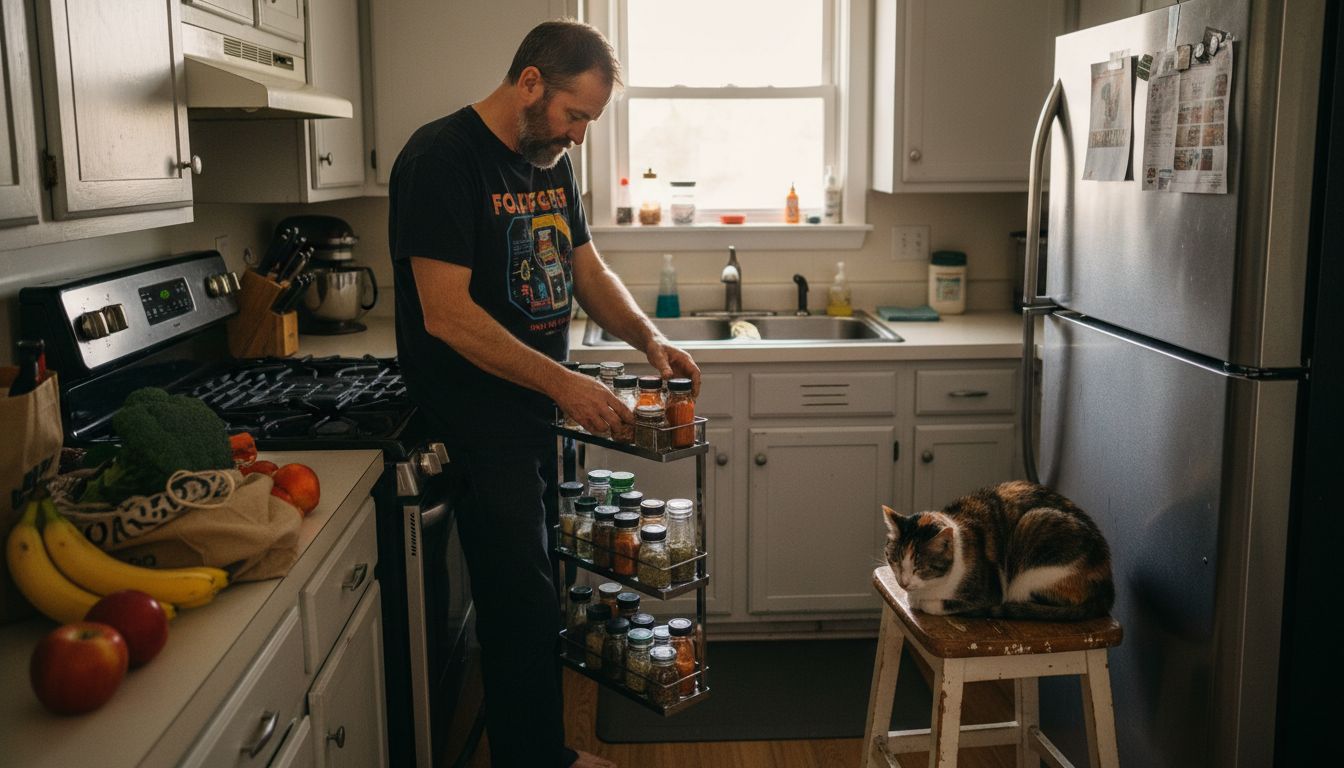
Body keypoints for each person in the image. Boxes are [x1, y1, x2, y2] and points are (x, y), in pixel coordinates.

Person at [387, 19, 700, 768]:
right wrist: (565, 383)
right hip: (477, 419)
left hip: (535, 417)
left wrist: (646, 339)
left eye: (590, 120)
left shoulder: (547, 159)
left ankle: (533, 753)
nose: (581, 135)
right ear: (530, 83)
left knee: (538, 596)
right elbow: (447, 314)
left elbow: (586, 269)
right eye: (575, 115)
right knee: (520, 602)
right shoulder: (441, 158)